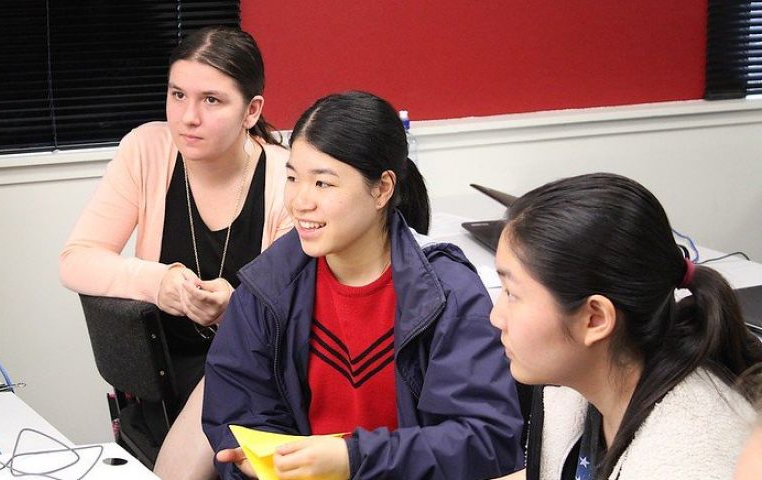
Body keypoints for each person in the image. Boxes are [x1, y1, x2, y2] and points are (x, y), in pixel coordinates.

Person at [202, 91, 524, 479]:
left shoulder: (447, 291)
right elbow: (239, 417)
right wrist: (263, 464)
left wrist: (352, 459)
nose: (300, 201)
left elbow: (485, 440)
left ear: (382, 189)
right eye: (292, 178)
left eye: (323, 183)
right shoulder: (266, 288)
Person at [59, 26, 291, 480]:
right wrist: (157, 282)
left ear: (252, 111)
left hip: (253, 369)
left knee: (236, 359)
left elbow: (289, 309)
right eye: (177, 95)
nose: (187, 117)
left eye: (211, 100)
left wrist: (233, 309)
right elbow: (76, 258)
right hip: (161, 371)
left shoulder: (288, 176)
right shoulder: (148, 149)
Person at [489, 173, 762, 480]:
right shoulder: (587, 388)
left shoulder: (687, 460)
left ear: (595, 319)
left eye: (512, 294)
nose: (496, 317)